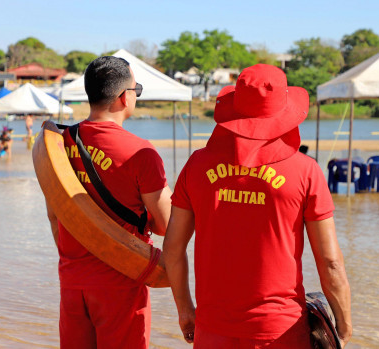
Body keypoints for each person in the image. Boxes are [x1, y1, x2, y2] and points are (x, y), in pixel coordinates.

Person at [163, 64, 352, 348]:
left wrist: (185, 309)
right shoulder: (306, 171)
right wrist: (343, 323)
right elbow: (330, 262)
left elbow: (173, 248)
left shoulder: (196, 166)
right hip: (280, 331)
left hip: (212, 330)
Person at [45, 56, 172, 348]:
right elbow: (166, 224)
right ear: (123, 97)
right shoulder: (141, 152)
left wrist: (75, 260)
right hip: (122, 283)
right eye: (136, 89)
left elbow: (55, 213)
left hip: (72, 282)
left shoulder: (61, 141)